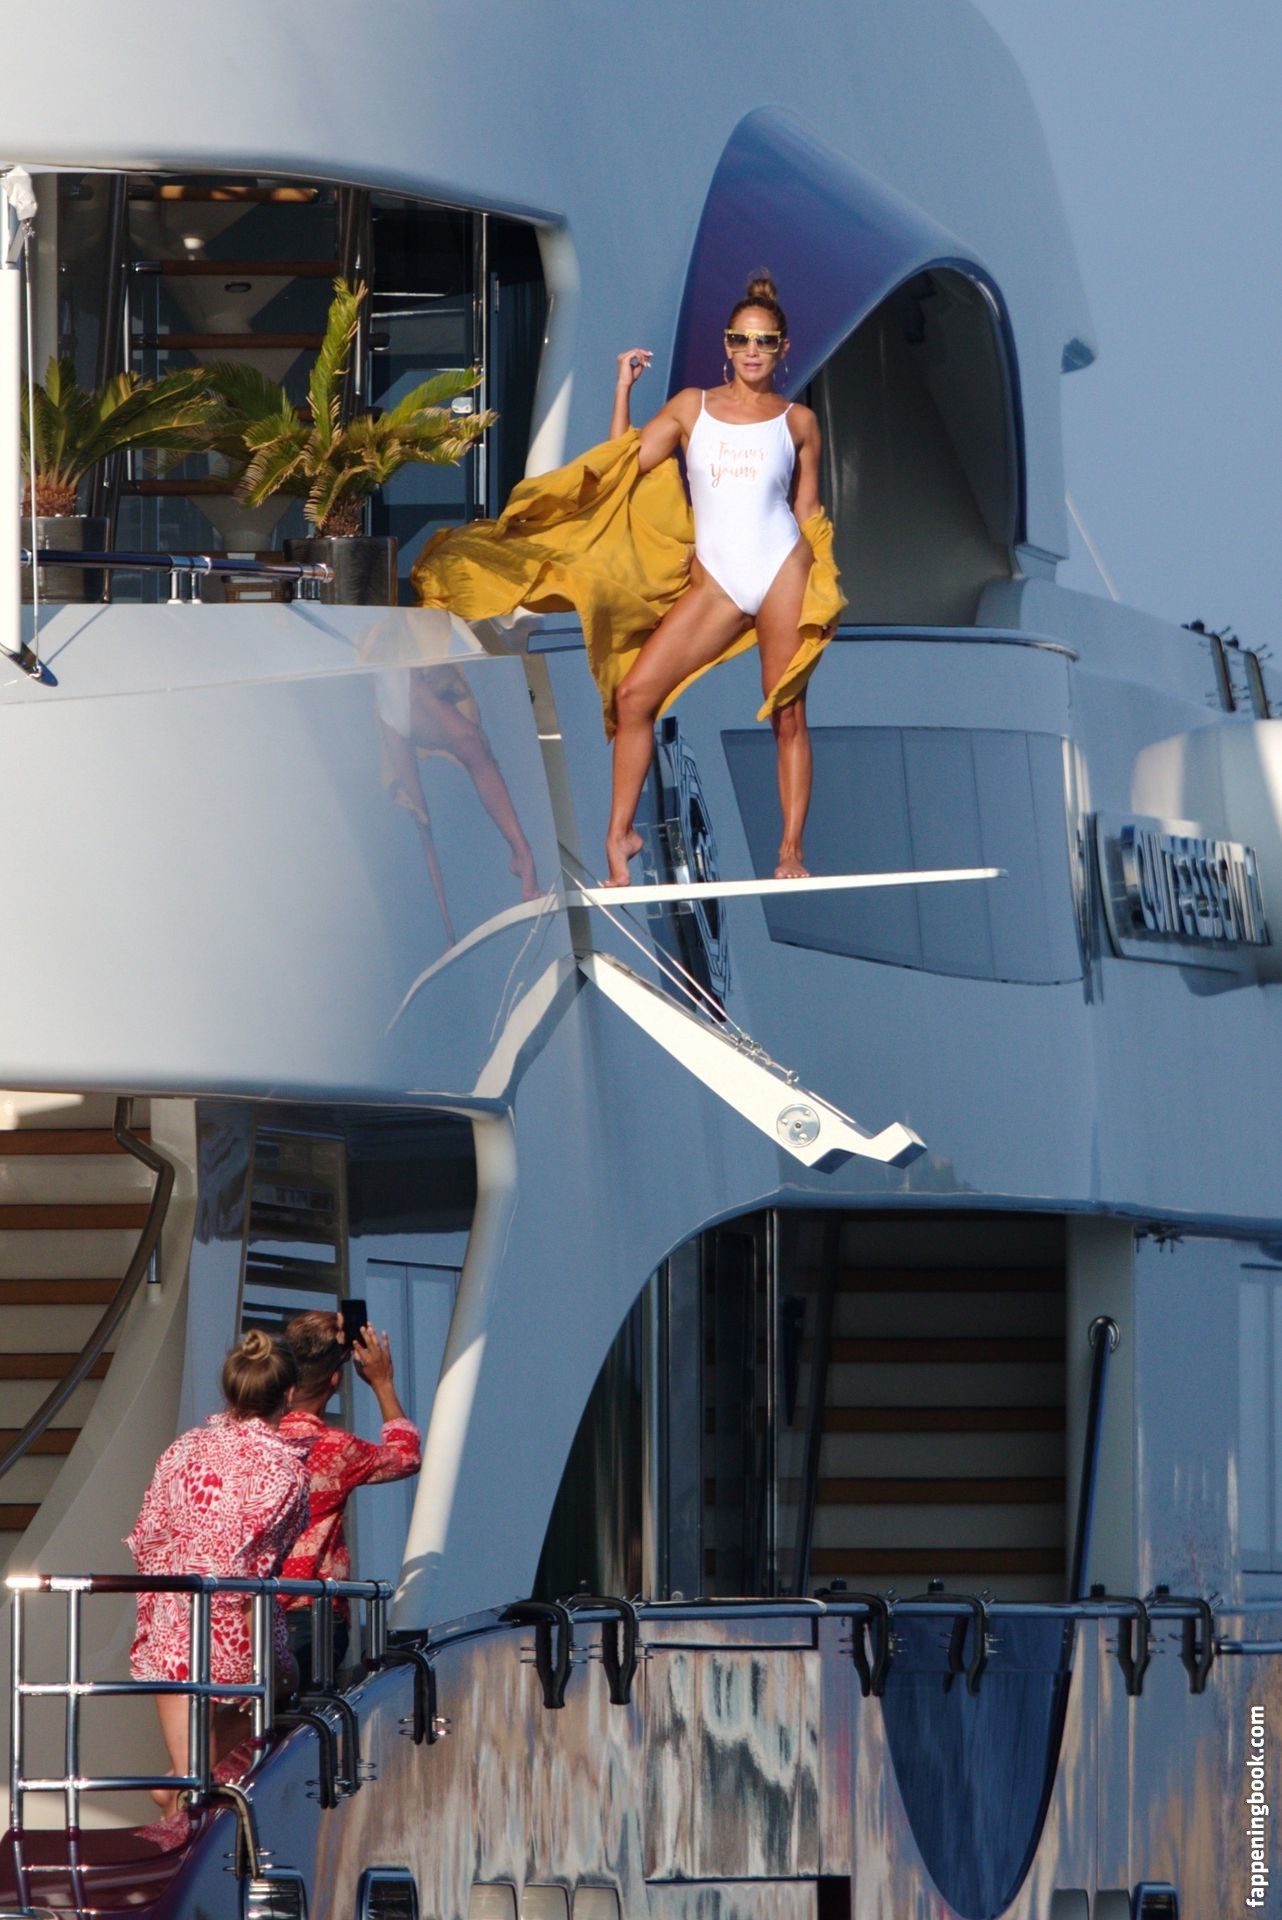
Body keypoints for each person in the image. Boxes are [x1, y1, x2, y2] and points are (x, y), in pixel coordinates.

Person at [410, 269, 845, 888]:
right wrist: (623, 390)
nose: (752, 351)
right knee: (635, 696)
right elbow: (623, 466)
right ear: (726, 346)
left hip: (783, 570)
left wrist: (822, 585)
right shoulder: (692, 406)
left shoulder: (798, 422)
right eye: (741, 339)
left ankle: (791, 850)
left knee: (788, 713)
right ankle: (621, 835)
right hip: (717, 583)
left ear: (783, 348)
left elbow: (807, 510)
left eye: (765, 341)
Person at [125, 1329, 308, 1813]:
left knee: (188, 1772)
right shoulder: (283, 1468)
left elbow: (148, 1537)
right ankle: (181, 1794)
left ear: (230, 1391)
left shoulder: (182, 1449)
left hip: (171, 1620)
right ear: (289, 1394)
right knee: (285, 1683)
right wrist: (263, 1652)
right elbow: (255, 1574)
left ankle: (177, 1794)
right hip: (232, 1627)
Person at [279, 1310, 422, 1687]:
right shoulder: (335, 1449)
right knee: (307, 1716)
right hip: (311, 1612)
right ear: (334, 1379)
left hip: (251, 1611)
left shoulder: (252, 1440)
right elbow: (406, 1455)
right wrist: (382, 1382)